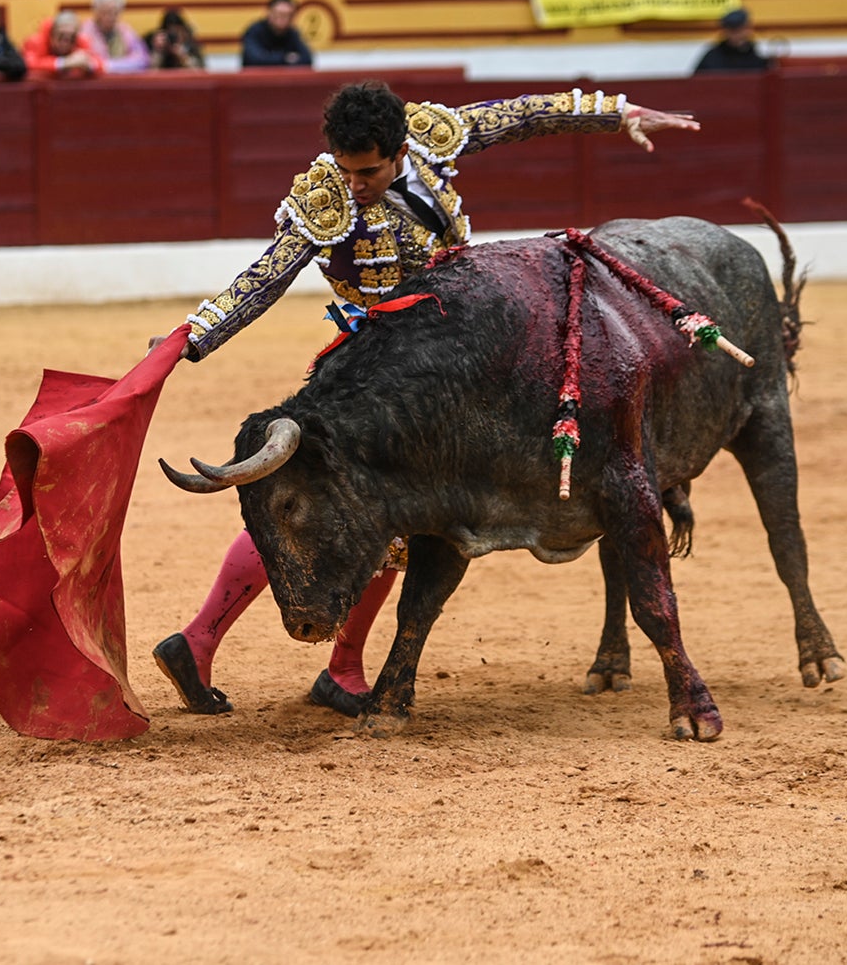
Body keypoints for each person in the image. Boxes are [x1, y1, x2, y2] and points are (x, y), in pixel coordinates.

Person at [150, 80, 700, 717]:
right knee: (367, 510)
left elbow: (523, 115)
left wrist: (618, 113)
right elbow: (264, 278)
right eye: (347, 169)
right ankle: (311, 662)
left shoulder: (434, 137)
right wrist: (192, 339)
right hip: (377, 376)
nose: (354, 183)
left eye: (369, 171)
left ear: (400, 148)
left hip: (449, 366)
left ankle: (269, 653)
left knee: (384, 517)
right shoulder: (324, 198)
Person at [79, 0, 148, 74]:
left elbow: (142, 60)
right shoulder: (85, 32)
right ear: (96, 11)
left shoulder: (125, 30)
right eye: (106, 12)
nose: (111, 17)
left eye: (115, 12)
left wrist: (108, 65)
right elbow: (86, 62)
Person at [22, 11, 107, 79]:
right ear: (52, 34)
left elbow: (100, 64)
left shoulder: (81, 41)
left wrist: (88, 64)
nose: (65, 43)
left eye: (71, 38)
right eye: (61, 36)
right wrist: (64, 63)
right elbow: (29, 64)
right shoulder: (36, 42)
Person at [239, 0, 312, 68]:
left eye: (288, 15)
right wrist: (285, 58)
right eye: (280, 14)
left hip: (286, 79)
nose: (284, 18)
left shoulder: (292, 33)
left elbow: (307, 59)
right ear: (269, 13)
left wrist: (274, 58)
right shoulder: (254, 31)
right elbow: (254, 59)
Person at [692, 7, 772, 74]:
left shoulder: (757, 58)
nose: (737, 35)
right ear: (725, 32)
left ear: (748, 29)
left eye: (740, 30)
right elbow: (695, 86)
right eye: (733, 31)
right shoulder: (711, 58)